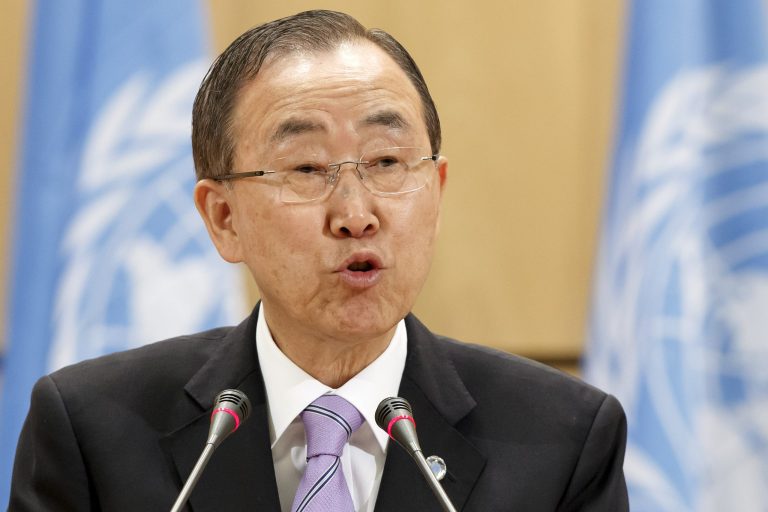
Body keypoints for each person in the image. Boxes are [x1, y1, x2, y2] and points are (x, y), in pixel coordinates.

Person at [9, 10, 628, 511]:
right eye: (306, 168)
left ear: (435, 193)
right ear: (224, 219)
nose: (356, 213)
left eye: (387, 162)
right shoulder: (95, 433)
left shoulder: (560, 440)